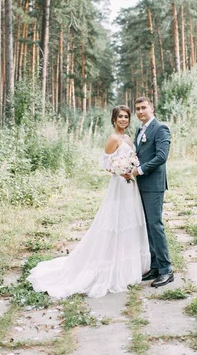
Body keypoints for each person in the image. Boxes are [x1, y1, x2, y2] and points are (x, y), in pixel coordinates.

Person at [27, 105, 150, 299]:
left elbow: (132, 158)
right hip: (119, 184)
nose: (124, 120)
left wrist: (131, 168)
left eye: (126, 117)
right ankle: (110, 266)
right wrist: (119, 170)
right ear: (114, 119)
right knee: (115, 223)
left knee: (130, 222)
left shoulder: (128, 138)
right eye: (120, 117)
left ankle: (129, 266)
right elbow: (105, 162)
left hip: (131, 185)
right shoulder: (113, 138)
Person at [129, 96, 174, 288]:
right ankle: (155, 266)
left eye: (143, 108)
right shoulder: (140, 130)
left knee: (155, 225)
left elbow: (161, 157)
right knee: (147, 226)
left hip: (154, 184)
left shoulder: (160, 128)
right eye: (137, 109)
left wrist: (140, 170)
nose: (140, 111)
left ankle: (166, 270)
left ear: (152, 108)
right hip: (141, 184)